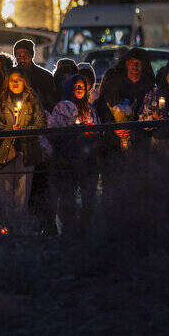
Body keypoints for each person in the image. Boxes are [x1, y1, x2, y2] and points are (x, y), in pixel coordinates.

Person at [47, 74, 100, 232]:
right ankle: (69, 227)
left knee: (88, 195)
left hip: (88, 157)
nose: (79, 89)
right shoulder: (62, 107)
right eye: (76, 87)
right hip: (68, 158)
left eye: (82, 87)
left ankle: (86, 226)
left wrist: (90, 133)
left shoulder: (90, 108)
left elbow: (98, 127)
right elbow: (55, 131)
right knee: (68, 194)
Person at [0, 69, 45, 209]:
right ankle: (7, 228)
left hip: (26, 151)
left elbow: (41, 123)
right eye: (11, 80)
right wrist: (9, 130)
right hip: (4, 151)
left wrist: (23, 131)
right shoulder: (1, 99)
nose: (15, 83)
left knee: (22, 196)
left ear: (24, 82)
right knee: (5, 195)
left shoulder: (32, 99)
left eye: (18, 80)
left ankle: (20, 227)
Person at [96, 47, 155, 149]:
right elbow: (103, 105)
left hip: (138, 141)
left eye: (138, 63)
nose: (135, 66)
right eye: (132, 62)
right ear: (127, 63)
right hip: (112, 140)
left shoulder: (147, 86)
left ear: (144, 66)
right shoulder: (114, 81)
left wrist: (136, 130)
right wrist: (114, 126)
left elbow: (147, 112)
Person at [13, 39, 56, 110]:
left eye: (25, 56)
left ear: (32, 55)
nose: (22, 59)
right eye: (19, 56)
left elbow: (50, 101)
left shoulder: (45, 76)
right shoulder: (11, 75)